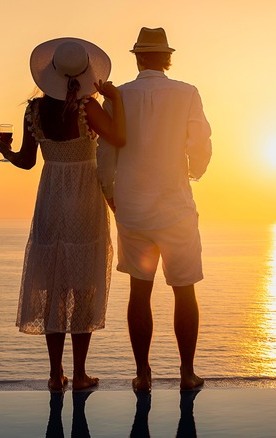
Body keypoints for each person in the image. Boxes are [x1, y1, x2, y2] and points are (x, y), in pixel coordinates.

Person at [0, 37, 126, 391]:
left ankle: (56, 375)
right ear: (86, 73)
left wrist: (6, 152)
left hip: (51, 198)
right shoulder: (89, 108)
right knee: (83, 285)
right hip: (85, 197)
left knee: (52, 285)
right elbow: (119, 137)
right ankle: (81, 373)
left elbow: (26, 162)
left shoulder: (34, 111)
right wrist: (115, 100)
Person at [97, 27, 212, 391]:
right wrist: (192, 173)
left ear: (137, 57)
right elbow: (201, 144)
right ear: (167, 58)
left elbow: (106, 150)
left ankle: (143, 374)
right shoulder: (187, 94)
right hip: (175, 206)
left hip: (133, 205)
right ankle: (186, 372)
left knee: (139, 291)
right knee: (185, 290)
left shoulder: (119, 96)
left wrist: (109, 191)